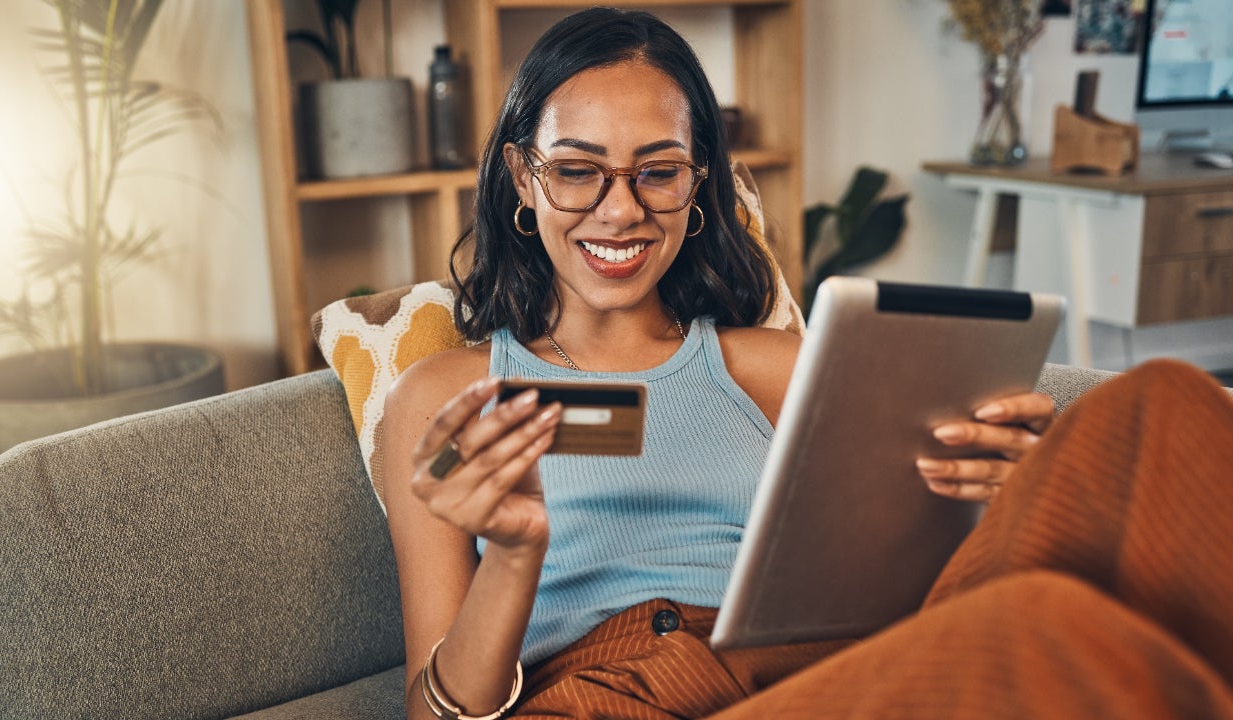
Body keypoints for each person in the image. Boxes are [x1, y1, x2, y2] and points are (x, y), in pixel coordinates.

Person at [381, 8, 1233, 720]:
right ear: (522, 179)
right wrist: (520, 554)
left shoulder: (780, 366)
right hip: (607, 695)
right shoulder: (446, 396)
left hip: (803, 673)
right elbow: (436, 713)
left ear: (697, 182)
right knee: (1036, 628)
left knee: (1166, 401)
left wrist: (1022, 487)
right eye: (577, 172)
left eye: (658, 172)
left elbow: (898, 570)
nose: (620, 209)